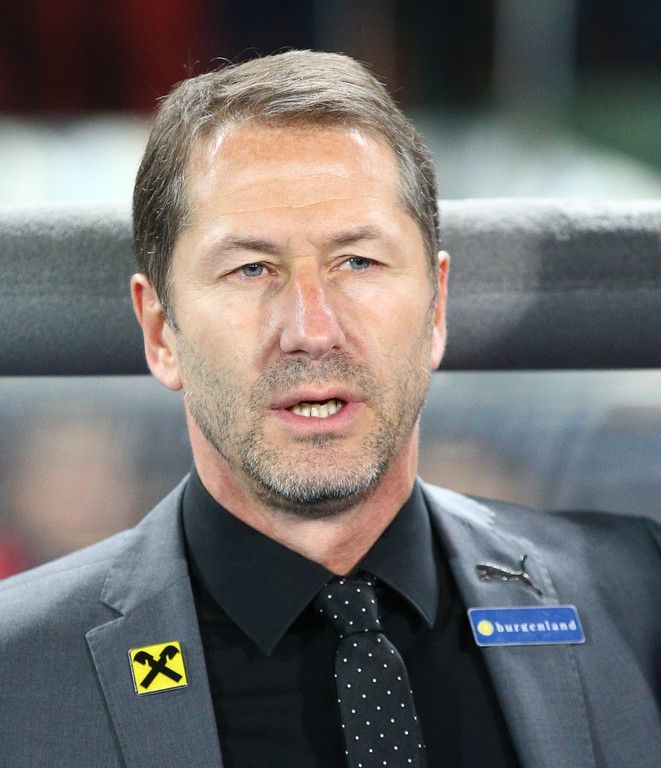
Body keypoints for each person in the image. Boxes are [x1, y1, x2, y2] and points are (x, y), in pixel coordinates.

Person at [0, 50, 658, 768]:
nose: (312, 330)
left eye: (357, 262)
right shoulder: (19, 672)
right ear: (161, 332)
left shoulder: (635, 598)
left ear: (436, 306)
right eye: (251, 269)